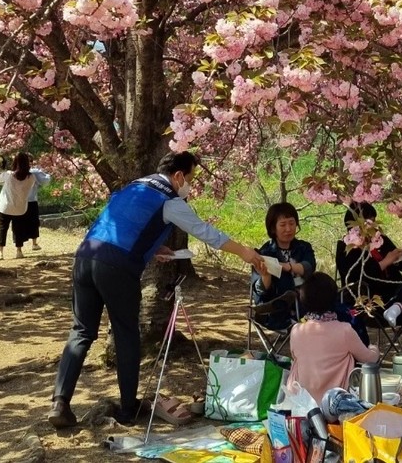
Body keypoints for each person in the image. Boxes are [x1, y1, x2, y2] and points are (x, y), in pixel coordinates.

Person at [47, 150, 266, 429]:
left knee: (81, 332)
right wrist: (245, 252)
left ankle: (60, 403)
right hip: (117, 269)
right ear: (177, 176)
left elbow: (122, 225)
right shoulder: (169, 200)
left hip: (85, 257)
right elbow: (207, 232)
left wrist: (152, 248)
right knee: (126, 335)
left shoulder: (135, 187)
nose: (190, 185)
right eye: (190, 178)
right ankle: (128, 409)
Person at [335, 203, 402, 355]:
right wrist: (385, 261)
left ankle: (398, 307)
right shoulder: (345, 246)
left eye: (374, 221)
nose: (373, 227)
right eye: (368, 222)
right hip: (368, 301)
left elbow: (399, 265)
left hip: (394, 292)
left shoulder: (380, 239)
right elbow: (355, 278)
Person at [288, 272, 379, 402]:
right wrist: (373, 348)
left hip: (301, 400)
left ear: (303, 301)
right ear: (334, 299)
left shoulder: (296, 330)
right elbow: (369, 359)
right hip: (335, 403)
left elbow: (295, 356)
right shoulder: (344, 330)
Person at [251, 203, 315, 330]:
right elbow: (260, 292)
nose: (288, 229)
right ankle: (295, 321)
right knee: (284, 281)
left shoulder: (303, 247)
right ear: (273, 228)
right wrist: (266, 275)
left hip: (307, 301)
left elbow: (309, 267)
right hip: (278, 310)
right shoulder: (265, 253)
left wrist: (288, 267)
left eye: (292, 223)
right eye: (283, 224)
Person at [0, 152, 36, 261]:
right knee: (18, 229)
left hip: (6, 206)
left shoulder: (9, 175)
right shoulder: (31, 177)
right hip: (20, 208)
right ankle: (19, 251)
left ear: (15, 162)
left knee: (3, 228)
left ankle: (0, 253)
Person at [22, 164, 51, 251]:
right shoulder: (34, 172)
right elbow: (45, 180)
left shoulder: (15, 172)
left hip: (20, 201)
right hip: (32, 200)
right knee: (34, 222)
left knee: (20, 222)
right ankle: (34, 243)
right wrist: (49, 173)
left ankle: (19, 247)